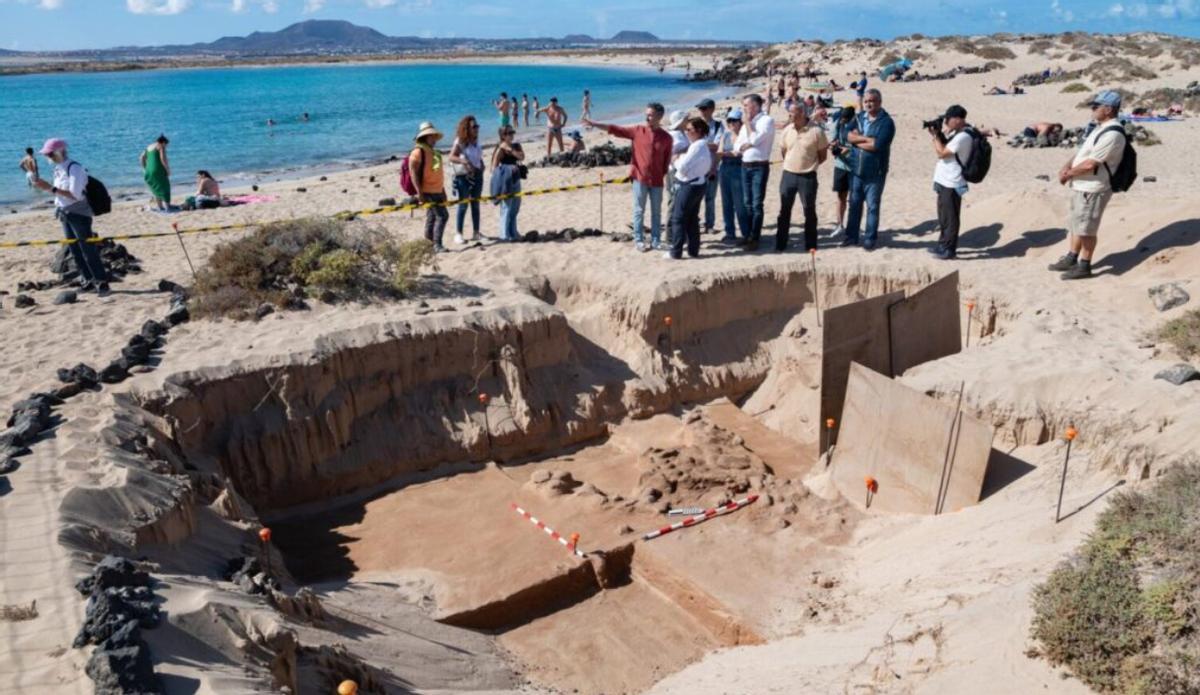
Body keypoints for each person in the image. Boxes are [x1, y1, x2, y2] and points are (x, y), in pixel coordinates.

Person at [1048, 91, 1126, 280]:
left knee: (1087, 229)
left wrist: (1068, 174)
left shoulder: (1113, 133)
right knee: (1077, 225)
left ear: (1108, 110)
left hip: (1093, 189)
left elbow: (1092, 163)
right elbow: (1083, 153)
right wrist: (1067, 166)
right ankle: (1072, 257)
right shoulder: (1100, 128)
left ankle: (1085, 265)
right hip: (1081, 185)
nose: (1092, 110)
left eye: (1095, 107)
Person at [583, 103, 673, 252]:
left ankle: (656, 240)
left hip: (657, 181)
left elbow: (666, 160)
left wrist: (661, 174)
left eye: (650, 114)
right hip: (639, 179)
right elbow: (615, 129)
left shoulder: (666, 138)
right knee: (639, 211)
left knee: (656, 212)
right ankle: (639, 240)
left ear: (659, 116)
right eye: (646, 114)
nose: (647, 117)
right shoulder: (637, 131)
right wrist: (594, 124)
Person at [29, 139, 110, 295]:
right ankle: (88, 280)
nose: (48, 157)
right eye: (47, 154)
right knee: (74, 250)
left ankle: (101, 282)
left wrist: (50, 188)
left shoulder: (75, 168)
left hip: (79, 213)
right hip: (64, 212)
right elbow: (60, 193)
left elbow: (75, 195)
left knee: (87, 249)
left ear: (60, 152)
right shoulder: (59, 168)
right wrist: (45, 187)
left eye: (50, 153)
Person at [842, 89, 895, 250]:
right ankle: (851, 237)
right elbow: (846, 135)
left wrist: (856, 140)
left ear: (879, 102)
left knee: (872, 206)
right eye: (866, 101)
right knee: (855, 204)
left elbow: (878, 145)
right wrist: (865, 139)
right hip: (857, 170)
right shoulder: (858, 118)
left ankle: (870, 238)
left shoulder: (886, 122)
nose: (868, 104)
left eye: (872, 101)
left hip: (875, 173)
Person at [776, 104, 829, 253]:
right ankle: (781, 243)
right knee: (784, 210)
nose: (790, 116)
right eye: (789, 113)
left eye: (793, 113)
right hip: (788, 174)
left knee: (809, 211)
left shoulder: (817, 131)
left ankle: (810, 244)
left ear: (802, 113)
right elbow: (784, 151)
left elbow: (822, 156)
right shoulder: (787, 130)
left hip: (808, 176)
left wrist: (808, 165)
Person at [928, 105, 973, 260]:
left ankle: (949, 249)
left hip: (953, 182)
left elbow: (942, 153)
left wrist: (935, 137)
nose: (946, 121)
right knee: (943, 216)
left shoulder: (963, 136)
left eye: (948, 119)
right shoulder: (957, 133)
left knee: (951, 217)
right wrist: (940, 134)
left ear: (958, 119)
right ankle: (942, 245)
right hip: (944, 180)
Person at [667, 118, 712, 260]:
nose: (686, 132)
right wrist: (681, 158)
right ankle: (693, 250)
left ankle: (676, 251)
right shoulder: (700, 145)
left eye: (689, 130)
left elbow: (682, 166)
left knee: (678, 218)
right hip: (697, 183)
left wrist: (676, 159)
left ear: (698, 131)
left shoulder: (697, 146)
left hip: (690, 185)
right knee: (692, 219)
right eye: (685, 130)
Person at [735, 93, 775, 249]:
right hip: (745, 165)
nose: (744, 108)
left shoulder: (766, 120)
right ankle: (748, 235)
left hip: (759, 166)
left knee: (757, 203)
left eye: (746, 105)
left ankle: (755, 238)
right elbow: (738, 145)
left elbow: (756, 139)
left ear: (756, 105)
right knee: (747, 203)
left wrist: (748, 127)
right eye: (744, 105)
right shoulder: (748, 124)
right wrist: (745, 144)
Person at [409, 122, 449, 253]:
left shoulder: (433, 152)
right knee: (442, 216)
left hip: (437, 189)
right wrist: (420, 192)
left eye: (434, 136)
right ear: (424, 137)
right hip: (427, 190)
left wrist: (443, 190)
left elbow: (437, 173)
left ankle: (429, 243)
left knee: (432, 216)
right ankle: (437, 244)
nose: (434, 139)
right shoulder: (418, 152)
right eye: (431, 136)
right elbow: (413, 172)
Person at [449, 115, 485, 244]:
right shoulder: (460, 142)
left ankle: (476, 232)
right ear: (467, 129)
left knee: (475, 204)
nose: (477, 129)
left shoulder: (476, 141)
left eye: (477, 126)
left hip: (478, 175)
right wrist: (463, 161)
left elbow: (477, 155)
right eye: (474, 127)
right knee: (463, 205)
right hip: (463, 177)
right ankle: (458, 234)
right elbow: (451, 157)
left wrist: (481, 163)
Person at [490, 125, 525, 242]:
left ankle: (513, 232)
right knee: (506, 207)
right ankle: (504, 235)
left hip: (516, 179)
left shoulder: (516, 146)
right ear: (503, 136)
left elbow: (522, 157)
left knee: (515, 206)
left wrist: (510, 149)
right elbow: (493, 168)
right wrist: (506, 170)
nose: (511, 135)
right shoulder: (500, 149)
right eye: (508, 133)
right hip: (506, 180)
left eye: (512, 133)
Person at [827, 104, 856, 236]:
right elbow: (832, 141)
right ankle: (839, 225)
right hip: (840, 165)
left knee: (855, 198)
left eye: (846, 119)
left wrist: (847, 150)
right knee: (840, 197)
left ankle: (853, 227)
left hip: (854, 165)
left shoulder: (858, 126)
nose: (843, 120)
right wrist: (834, 147)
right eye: (842, 118)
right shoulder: (838, 123)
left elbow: (859, 146)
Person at [695, 98, 724, 235]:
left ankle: (709, 224)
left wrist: (699, 145)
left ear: (712, 109)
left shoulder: (718, 126)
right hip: (695, 168)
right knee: (694, 198)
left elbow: (718, 145)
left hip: (713, 167)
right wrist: (708, 145)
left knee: (710, 198)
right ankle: (694, 223)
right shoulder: (694, 125)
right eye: (700, 108)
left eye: (704, 108)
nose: (701, 111)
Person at [140, 134, 171, 211]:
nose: (166, 146)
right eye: (166, 144)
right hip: (158, 169)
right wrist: (168, 170)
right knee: (165, 186)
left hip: (148, 170)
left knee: (157, 188)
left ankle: (160, 206)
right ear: (163, 142)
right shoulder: (160, 146)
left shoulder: (149, 147)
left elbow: (141, 157)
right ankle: (167, 206)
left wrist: (144, 168)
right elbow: (163, 159)